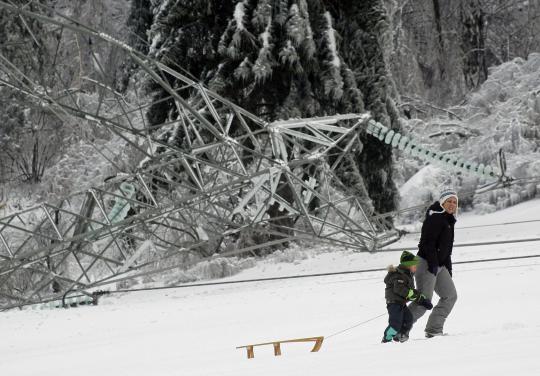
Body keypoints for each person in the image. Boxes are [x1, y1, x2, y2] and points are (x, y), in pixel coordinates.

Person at [408, 188, 458, 338]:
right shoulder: (435, 218)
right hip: (426, 263)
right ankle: (399, 328)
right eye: (449, 201)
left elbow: (446, 249)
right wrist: (433, 265)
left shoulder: (449, 220)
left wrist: (447, 269)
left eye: (455, 202)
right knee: (424, 302)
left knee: (450, 296)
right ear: (442, 202)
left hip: (439, 266)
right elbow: (427, 244)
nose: (452, 204)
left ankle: (434, 329)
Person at [382, 250, 433, 343]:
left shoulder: (407, 275)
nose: (416, 268)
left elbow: (411, 291)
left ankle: (400, 336)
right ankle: (387, 340)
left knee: (408, 319)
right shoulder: (398, 276)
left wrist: (422, 299)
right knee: (395, 324)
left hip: (401, 304)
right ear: (408, 265)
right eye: (414, 265)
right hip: (394, 304)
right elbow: (401, 290)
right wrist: (419, 299)